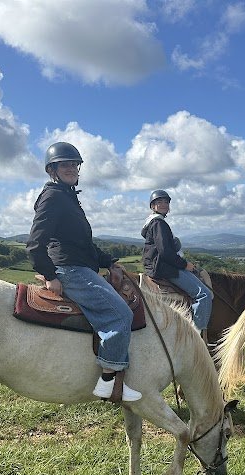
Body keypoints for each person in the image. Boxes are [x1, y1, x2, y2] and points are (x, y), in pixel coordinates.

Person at [26, 142, 141, 402]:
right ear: (52, 170)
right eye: (63, 164)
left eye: (73, 164)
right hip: (70, 269)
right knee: (120, 315)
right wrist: (50, 275)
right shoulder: (53, 197)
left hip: (78, 264)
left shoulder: (68, 196)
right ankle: (108, 382)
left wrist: (109, 262)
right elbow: (35, 243)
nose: (70, 168)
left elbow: (84, 245)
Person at [141, 189, 213, 333]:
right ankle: (197, 335)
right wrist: (185, 265)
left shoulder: (154, 222)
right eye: (159, 202)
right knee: (204, 294)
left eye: (165, 202)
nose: (163, 204)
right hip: (163, 268)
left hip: (159, 265)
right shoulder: (158, 223)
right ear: (152, 206)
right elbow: (166, 252)